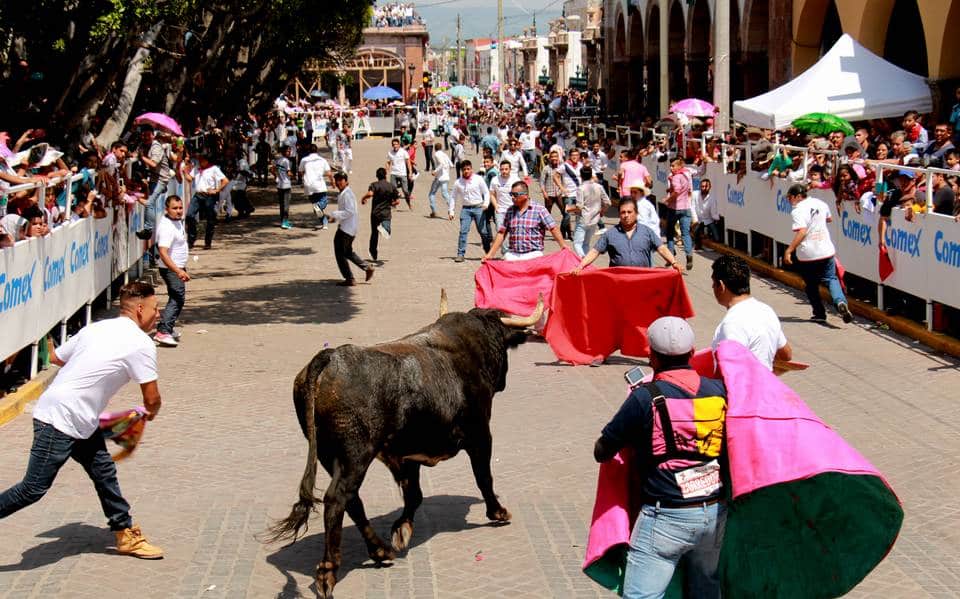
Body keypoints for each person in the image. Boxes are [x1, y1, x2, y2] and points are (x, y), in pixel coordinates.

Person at [0, 282, 165, 559]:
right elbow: (152, 398)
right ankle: (124, 531)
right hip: (60, 419)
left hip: (78, 418)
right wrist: (151, 411)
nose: (158, 314)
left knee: (103, 471)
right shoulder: (141, 344)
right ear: (139, 309)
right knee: (32, 489)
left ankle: (125, 533)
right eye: (155, 308)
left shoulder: (95, 328)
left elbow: (57, 357)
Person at [593, 316, 728, 599]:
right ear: (692, 354)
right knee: (705, 592)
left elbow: (602, 450)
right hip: (713, 515)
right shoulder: (719, 392)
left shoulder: (644, 398)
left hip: (665, 516)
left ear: (651, 357)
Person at [783, 184, 853, 324]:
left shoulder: (797, 210)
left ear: (798, 196)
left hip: (808, 254)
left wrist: (789, 250)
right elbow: (829, 219)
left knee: (811, 285)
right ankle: (840, 301)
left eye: (790, 197)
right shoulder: (820, 203)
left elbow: (802, 231)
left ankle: (819, 313)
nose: (789, 200)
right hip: (826, 250)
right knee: (831, 279)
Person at [710, 255, 792, 371]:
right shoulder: (766, 310)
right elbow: (786, 354)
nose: (712, 287)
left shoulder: (732, 323)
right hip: (765, 380)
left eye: (713, 283)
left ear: (721, 286)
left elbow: (731, 371)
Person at [571, 196, 682, 275]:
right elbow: (595, 251)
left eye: (629, 212)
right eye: (623, 212)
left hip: (643, 282)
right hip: (619, 283)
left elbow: (661, 248)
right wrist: (581, 266)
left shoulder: (647, 232)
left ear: (636, 213)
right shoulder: (610, 234)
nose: (626, 215)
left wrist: (674, 262)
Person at [484, 180, 567, 262]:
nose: (512, 197)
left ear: (525, 195)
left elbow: (553, 228)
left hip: (533, 255)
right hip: (513, 255)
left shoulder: (539, 210)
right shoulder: (510, 211)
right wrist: (490, 254)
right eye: (511, 194)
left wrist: (563, 246)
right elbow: (501, 233)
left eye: (515, 195)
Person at [154, 196, 190, 348]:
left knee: (176, 297)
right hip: (171, 268)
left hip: (177, 267)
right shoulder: (167, 227)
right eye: (174, 208)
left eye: (180, 208)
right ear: (167, 209)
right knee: (177, 298)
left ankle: (167, 326)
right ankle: (163, 331)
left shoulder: (176, 222)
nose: (178, 211)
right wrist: (178, 271)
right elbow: (163, 252)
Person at [329, 171, 375, 286]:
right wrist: (335, 218)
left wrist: (334, 214)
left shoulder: (347, 194)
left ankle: (349, 278)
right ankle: (367, 267)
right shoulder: (344, 193)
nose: (338, 182)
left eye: (341, 180)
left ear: (346, 181)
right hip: (348, 228)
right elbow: (345, 212)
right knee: (347, 252)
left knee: (340, 252)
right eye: (337, 180)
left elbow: (349, 211)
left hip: (346, 229)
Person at [452, 160, 492, 263]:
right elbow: (453, 197)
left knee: (483, 231)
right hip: (466, 209)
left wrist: (486, 204)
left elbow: (486, 192)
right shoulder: (458, 182)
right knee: (463, 231)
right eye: (464, 169)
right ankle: (460, 254)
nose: (466, 171)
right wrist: (451, 211)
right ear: (461, 170)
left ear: (471, 169)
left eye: (468, 169)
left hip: (479, 208)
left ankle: (488, 251)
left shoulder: (478, 179)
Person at [187, 153, 228, 250]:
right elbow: (190, 179)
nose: (200, 161)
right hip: (198, 195)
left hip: (209, 196)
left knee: (210, 219)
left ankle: (208, 241)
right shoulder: (197, 168)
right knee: (189, 215)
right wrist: (185, 172)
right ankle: (192, 238)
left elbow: (225, 180)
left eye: (202, 160)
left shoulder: (214, 169)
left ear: (206, 160)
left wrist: (217, 190)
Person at [571, 166, 611, 258]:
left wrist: (570, 209)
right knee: (586, 243)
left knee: (577, 243)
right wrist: (602, 211)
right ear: (591, 175)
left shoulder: (581, 188)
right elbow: (608, 202)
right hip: (594, 219)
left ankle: (583, 258)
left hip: (583, 219)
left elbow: (579, 206)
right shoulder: (599, 187)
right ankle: (586, 261)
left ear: (581, 176)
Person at [361, 167, 399, 263]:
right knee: (387, 229)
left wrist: (363, 198)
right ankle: (384, 228)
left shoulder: (374, 185)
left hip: (375, 213)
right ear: (385, 175)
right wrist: (391, 204)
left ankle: (373, 252)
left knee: (374, 233)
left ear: (377, 176)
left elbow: (370, 194)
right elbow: (397, 201)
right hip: (386, 213)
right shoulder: (391, 186)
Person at [665, 158, 694, 270]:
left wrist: (668, 199)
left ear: (679, 167)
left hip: (674, 208)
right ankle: (689, 254)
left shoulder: (676, 177)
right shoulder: (686, 175)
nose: (671, 168)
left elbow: (677, 190)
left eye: (673, 166)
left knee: (669, 232)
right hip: (686, 207)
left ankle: (670, 255)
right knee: (685, 233)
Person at [299, 144, 333, 229]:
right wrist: (332, 182)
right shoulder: (322, 160)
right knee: (323, 202)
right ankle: (319, 207)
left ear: (308, 151)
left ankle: (324, 223)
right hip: (319, 185)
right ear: (317, 150)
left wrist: (304, 179)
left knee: (316, 207)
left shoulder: (304, 160)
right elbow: (329, 173)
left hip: (308, 185)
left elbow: (300, 171)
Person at [271, 145, 293, 229]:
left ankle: (283, 221)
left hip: (279, 184)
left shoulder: (278, 160)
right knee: (286, 204)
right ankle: (285, 222)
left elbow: (272, 170)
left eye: (290, 151)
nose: (289, 152)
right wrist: (293, 176)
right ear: (284, 152)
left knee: (282, 204)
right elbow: (288, 173)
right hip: (286, 184)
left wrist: (276, 176)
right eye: (288, 151)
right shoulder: (286, 161)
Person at [428, 142, 453, 218]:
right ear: (441, 148)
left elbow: (441, 164)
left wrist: (435, 171)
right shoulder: (445, 154)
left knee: (431, 194)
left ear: (435, 148)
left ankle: (434, 211)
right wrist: (446, 171)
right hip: (446, 177)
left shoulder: (436, 154)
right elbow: (451, 165)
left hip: (439, 177)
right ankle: (451, 208)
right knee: (445, 193)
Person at [693, 178, 720, 247]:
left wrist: (717, 218)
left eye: (706, 186)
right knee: (696, 231)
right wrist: (695, 219)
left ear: (710, 187)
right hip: (698, 219)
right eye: (702, 186)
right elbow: (692, 207)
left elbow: (713, 213)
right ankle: (698, 244)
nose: (704, 188)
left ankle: (709, 237)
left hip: (708, 220)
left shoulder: (712, 198)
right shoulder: (695, 194)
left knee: (717, 238)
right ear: (700, 187)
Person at [386, 138, 412, 208]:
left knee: (405, 191)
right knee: (393, 189)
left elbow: (408, 163)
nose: (395, 146)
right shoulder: (390, 152)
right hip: (393, 173)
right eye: (393, 144)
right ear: (392, 145)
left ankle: (409, 204)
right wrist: (386, 170)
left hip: (402, 173)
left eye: (396, 144)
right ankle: (394, 203)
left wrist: (410, 173)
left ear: (399, 145)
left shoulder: (403, 152)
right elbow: (388, 162)